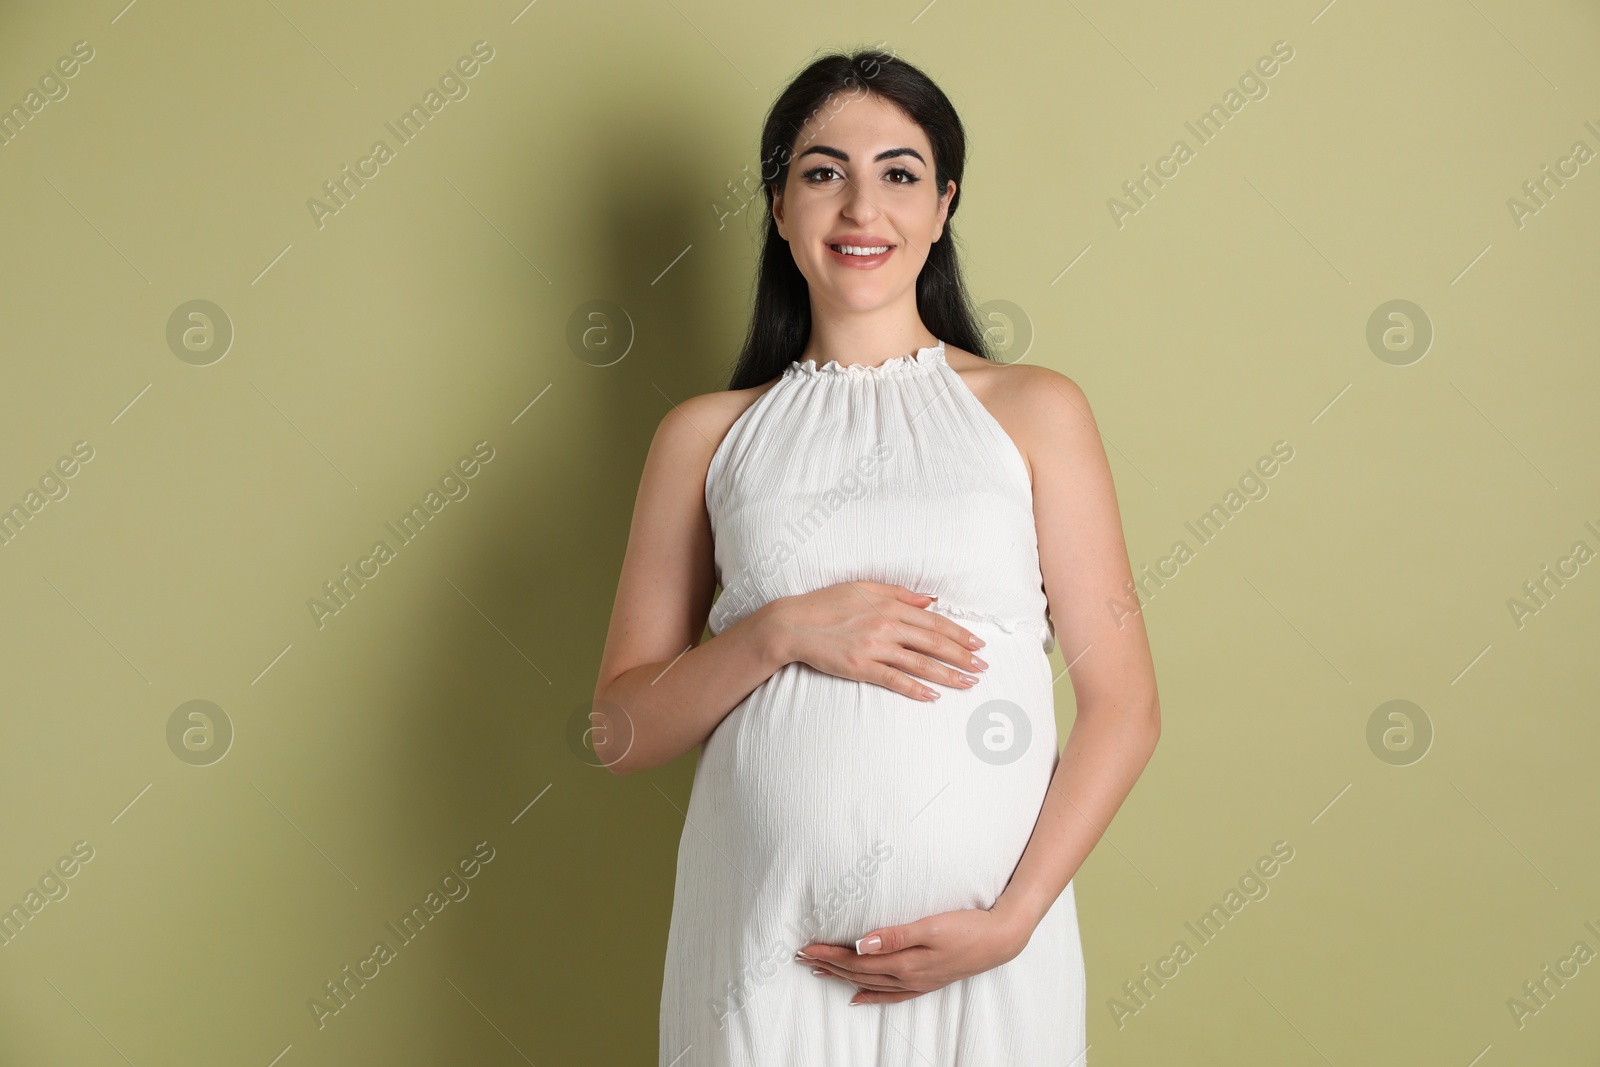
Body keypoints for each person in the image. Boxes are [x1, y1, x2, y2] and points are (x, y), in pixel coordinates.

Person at [593, 47, 1161, 1066]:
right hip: (759, 950)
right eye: (823, 172)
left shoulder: (1033, 410)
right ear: (778, 205)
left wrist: (1014, 918)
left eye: (898, 173)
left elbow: (1122, 702)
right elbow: (620, 728)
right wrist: (777, 631)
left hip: (984, 948)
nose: (861, 207)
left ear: (942, 206)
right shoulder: (704, 435)